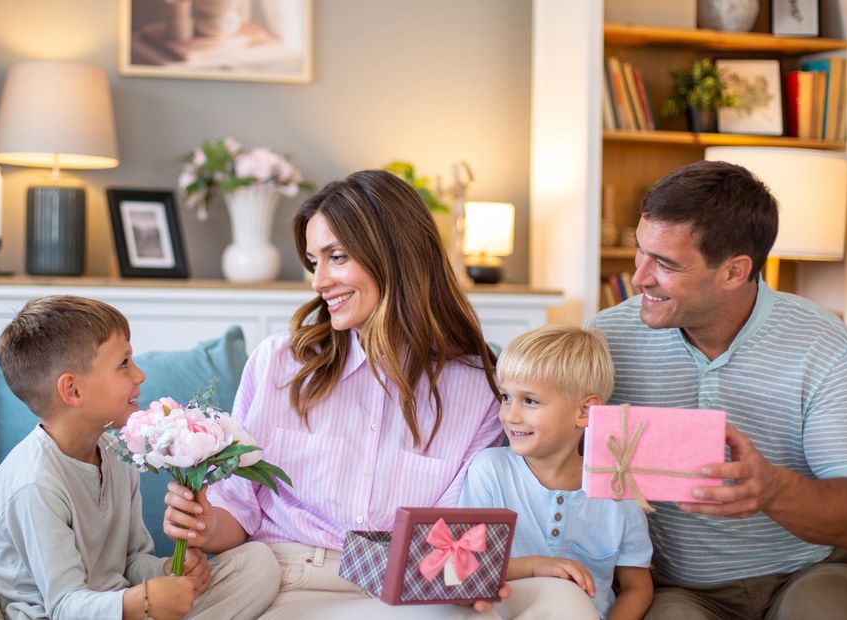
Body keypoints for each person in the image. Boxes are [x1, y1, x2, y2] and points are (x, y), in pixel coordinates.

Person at [161, 169, 596, 619]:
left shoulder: (476, 386)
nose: (318, 282)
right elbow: (238, 512)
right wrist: (203, 524)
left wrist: (474, 578)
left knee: (564, 601)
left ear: (396, 256)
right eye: (314, 262)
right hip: (297, 577)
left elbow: (452, 536)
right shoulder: (280, 363)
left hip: (412, 582)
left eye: (337, 257)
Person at [589, 160, 847, 619]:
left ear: (734, 272)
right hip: (676, 588)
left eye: (665, 263)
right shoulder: (607, 339)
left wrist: (773, 490)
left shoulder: (824, 344)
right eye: (640, 252)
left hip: (807, 573)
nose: (640, 276)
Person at [0, 295, 279, 620]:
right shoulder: (34, 486)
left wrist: (167, 570)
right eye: (123, 363)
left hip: (123, 606)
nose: (139, 375)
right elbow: (63, 606)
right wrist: (144, 601)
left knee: (258, 563)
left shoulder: (118, 455)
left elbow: (131, 562)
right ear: (72, 390)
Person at [459, 325, 653, 620]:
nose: (510, 415)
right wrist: (535, 566)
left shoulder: (618, 489)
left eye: (530, 401)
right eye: (506, 397)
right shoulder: (489, 470)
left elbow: (637, 587)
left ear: (584, 412)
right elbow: (468, 566)